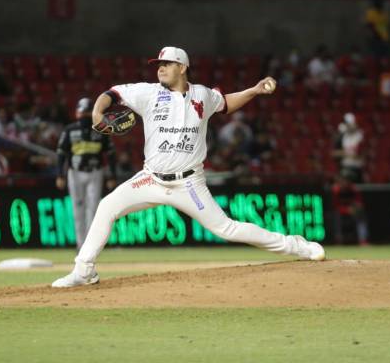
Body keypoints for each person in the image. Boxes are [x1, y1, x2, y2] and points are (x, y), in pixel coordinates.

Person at [52, 46, 325, 287]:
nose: (160, 68)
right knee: (106, 207)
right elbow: (110, 93)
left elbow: (227, 102)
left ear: (182, 67)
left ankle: (296, 246)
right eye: (158, 65)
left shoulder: (203, 96)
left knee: (226, 229)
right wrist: (99, 112)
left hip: (189, 184)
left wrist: (254, 90)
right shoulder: (147, 93)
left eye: (166, 64)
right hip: (151, 179)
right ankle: (83, 270)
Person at [56, 98, 118, 249]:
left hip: (95, 171)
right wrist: (60, 175)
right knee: (77, 207)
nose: (84, 115)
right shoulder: (70, 130)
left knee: (93, 208)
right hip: (75, 172)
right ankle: (80, 244)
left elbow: (110, 154)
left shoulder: (101, 129)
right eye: (82, 112)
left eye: (87, 112)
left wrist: (111, 175)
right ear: (77, 112)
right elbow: (61, 153)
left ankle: (90, 244)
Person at [330, 172, 368, 245]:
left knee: (361, 215)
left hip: (353, 211)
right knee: (335, 216)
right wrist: (346, 210)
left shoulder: (354, 190)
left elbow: (359, 203)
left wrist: (356, 208)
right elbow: (335, 206)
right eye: (343, 180)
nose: (344, 182)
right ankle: (338, 240)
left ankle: (363, 240)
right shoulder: (336, 190)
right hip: (341, 212)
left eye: (347, 180)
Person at [332, 113, 364, 183]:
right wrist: (349, 154)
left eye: (350, 124)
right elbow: (334, 153)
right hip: (345, 166)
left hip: (357, 168)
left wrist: (345, 154)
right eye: (347, 124)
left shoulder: (360, 135)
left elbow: (359, 155)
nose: (349, 126)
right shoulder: (343, 136)